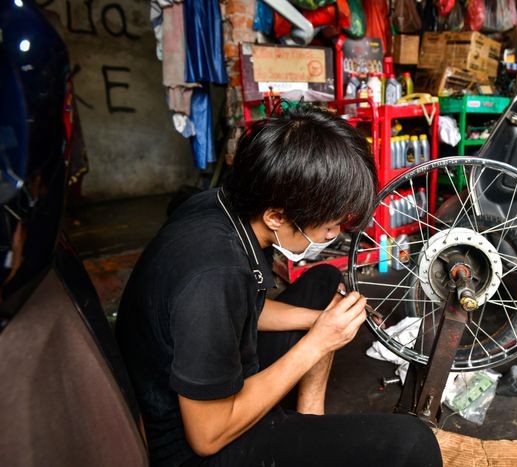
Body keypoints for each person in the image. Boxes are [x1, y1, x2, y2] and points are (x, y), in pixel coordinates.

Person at [115, 104, 443, 467]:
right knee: (414, 444)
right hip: (197, 446)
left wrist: (318, 321)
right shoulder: (214, 275)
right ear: (275, 216)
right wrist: (318, 343)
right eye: (330, 225)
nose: (335, 234)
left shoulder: (220, 206)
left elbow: (242, 307)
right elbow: (206, 436)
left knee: (324, 282)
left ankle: (308, 419)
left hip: (219, 374)